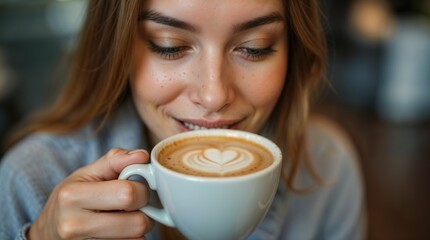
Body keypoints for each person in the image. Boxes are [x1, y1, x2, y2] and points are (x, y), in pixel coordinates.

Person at [0, 0, 366, 239]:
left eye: (254, 48)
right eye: (169, 45)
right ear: (117, 47)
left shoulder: (328, 167)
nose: (213, 94)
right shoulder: (31, 181)